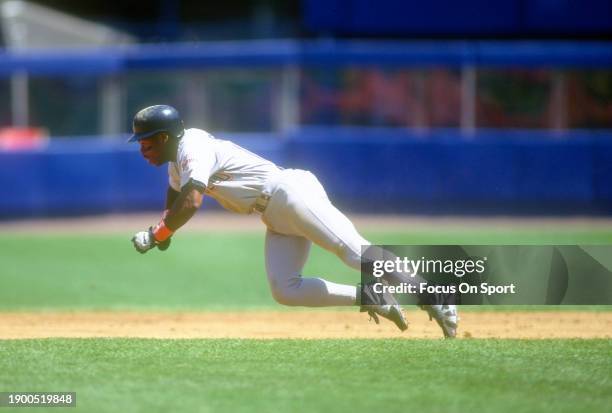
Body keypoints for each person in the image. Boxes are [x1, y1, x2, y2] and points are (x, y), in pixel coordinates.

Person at [129, 105, 458, 338]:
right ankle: (375, 298)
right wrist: (164, 229)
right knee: (286, 289)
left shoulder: (193, 147)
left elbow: (192, 200)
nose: (142, 150)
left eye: (146, 142)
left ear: (164, 138)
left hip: (289, 193)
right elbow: (176, 194)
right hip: (273, 214)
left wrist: (159, 234)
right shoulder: (177, 162)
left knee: (354, 252)